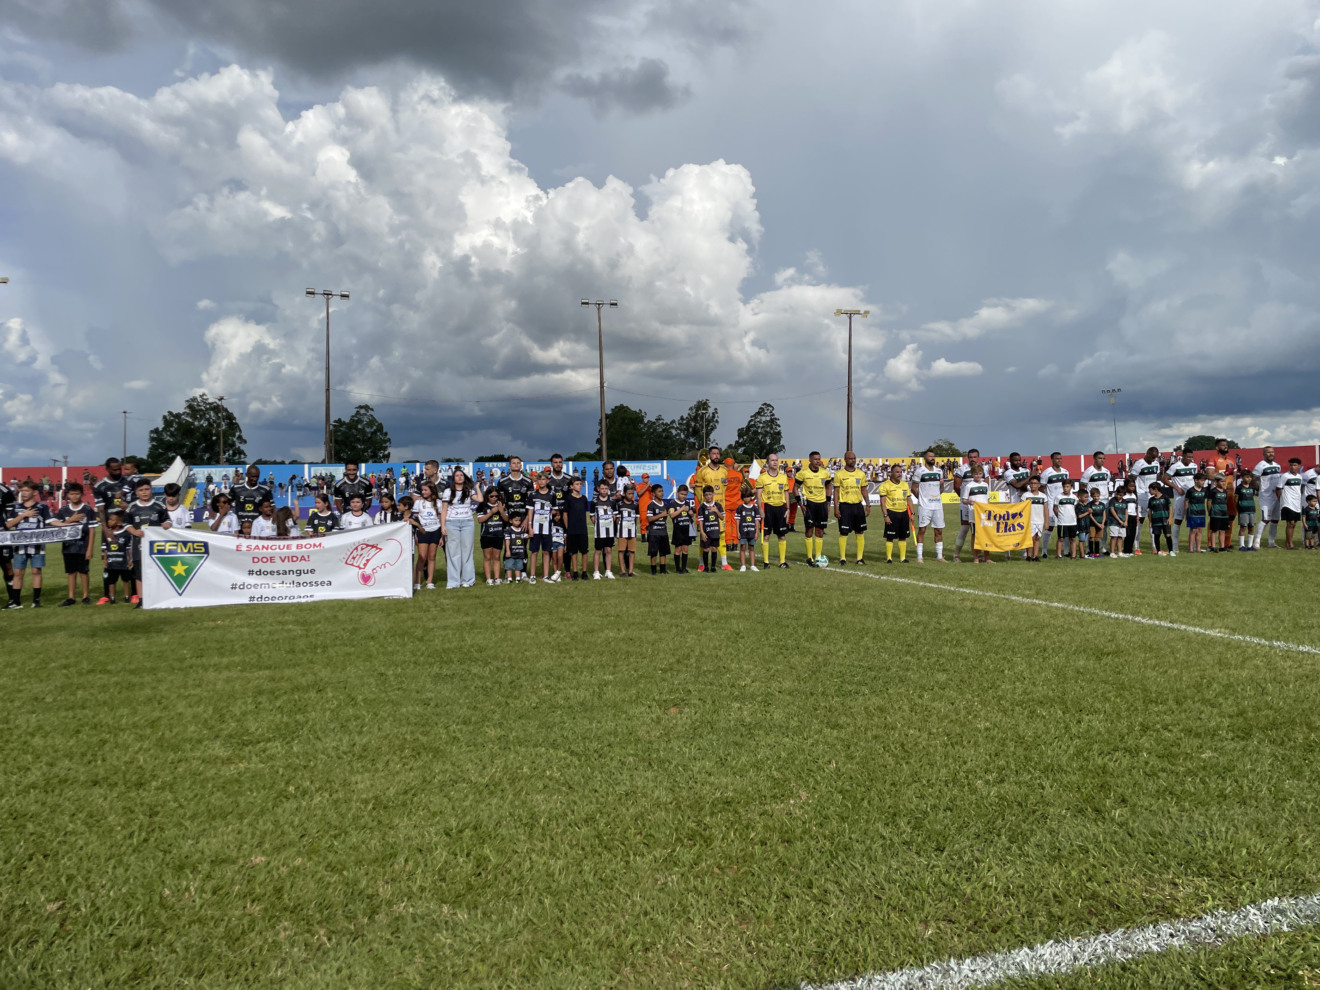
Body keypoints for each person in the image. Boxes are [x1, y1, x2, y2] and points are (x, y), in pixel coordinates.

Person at [4, 480, 53, 608]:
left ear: (35, 492)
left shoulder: (42, 507)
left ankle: (36, 601)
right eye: (22, 491)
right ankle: (16, 601)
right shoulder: (16, 508)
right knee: (18, 573)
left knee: (36, 571)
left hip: (37, 546)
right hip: (19, 546)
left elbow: (52, 522)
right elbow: (9, 525)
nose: (23, 493)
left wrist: (70, 526)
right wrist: (23, 515)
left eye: (26, 490)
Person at [123, 477, 171, 607]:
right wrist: (135, 532)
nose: (144, 492)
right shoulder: (132, 508)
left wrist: (166, 525)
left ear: (151, 490)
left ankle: (158, 597)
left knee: (157, 571)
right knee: (139, 574)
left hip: (156, 546)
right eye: (141, 490)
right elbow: (126, 524)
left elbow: (167, 521)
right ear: (136, 492)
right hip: (138, 546)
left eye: (147, 489)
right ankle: (141, 599)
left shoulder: (159, 506)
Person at [53, 481, 96, 604]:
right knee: (71, 572)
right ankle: (71, 597)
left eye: (77, 494)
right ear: (68, 495)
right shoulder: (63, 510)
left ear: (81, 494)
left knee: (84, 571)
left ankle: (85, 596)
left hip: (83, 545)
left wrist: (90, 548)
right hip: (68, 546)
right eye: (72, 494)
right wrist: (70, 520)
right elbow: (58, 528)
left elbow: (92, 530)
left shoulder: (88, 509)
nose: (75, 496)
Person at [440, 468, 480, 589]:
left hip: (467, 522)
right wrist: (443, 525)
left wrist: (477, 487)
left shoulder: (468, 490)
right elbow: (444, 510)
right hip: (452, 523)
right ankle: (453, 582)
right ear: (453, 478)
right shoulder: (447, 491)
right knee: (453, 552)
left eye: (461, 475)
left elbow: (480, 499)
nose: (459, 477)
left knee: (467, 551)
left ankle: (468, 580)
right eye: (457, 475)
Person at [693, 448, 731, 568]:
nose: (716, 455)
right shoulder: (702, 471)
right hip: (706, 508)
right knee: (704, 535)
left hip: (720, 507)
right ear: (709, 455)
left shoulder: (724, 471)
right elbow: (698, 490)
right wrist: (704, 503)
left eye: (718, 453)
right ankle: (701, 563)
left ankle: (724, 563)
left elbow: (724, 487)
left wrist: (718, 502)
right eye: (714, 453)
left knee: (722, 534)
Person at [833, 450, 870, 565]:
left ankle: (859, 558)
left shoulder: (861, 474)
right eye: (850, 458)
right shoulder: (839, 474)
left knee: (860, 532)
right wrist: (836, 508)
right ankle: (843, 558)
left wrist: (868, 504)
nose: (852, 460)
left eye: (854, 458)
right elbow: (836, 492)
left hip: (858, 506)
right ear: (845, 459)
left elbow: (864, 490)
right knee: (844, 532)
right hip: (845, 506)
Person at [908, 448, 946, 563]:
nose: (932, 458)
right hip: (924, 506)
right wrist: (921, 499)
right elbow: (913, 488)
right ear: (925, 458)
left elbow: (941, 488)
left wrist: (939, 490)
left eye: (933, 456)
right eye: (930, 456)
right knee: (922, 530)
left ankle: (939, 556)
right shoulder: (920, 471)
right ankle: (920, 556)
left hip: (937, 506)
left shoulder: (939, 471)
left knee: (938, 530)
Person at [755, 453, 791, 569]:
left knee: (781, 535)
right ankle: (766, 562)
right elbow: (758, 495)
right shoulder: (762, 478)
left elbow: (786, 494)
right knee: (766, 536)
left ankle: (782, 562)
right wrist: (760, 509)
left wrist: (788, 509)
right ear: (768, 463)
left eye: (776, 460)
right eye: (772, 460)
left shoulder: (783, 477)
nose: (775, 462)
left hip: (780, 508)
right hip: (768, 508)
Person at [797, 450, 832, 566]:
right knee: (809, 530)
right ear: (810, 460)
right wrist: (801, 503)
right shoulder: (803, 473)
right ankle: (809, 558)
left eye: (819, 459)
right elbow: (795, 488)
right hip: (809, 504)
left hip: (821, 504)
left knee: (820, 531)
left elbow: (828, 488)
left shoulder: (825, 473)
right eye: (815, 459)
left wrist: (828, 503)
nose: (818, 461)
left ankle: (818, 557)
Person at [875, 464, 912, 563]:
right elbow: (882, 502)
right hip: (892, 513)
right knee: (890, 537)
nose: (899, 474)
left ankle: (903, 558)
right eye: (897, 472)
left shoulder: (905, 484)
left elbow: (909, 499)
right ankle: (889, 558)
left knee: (903, 537)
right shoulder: (885, 485)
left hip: (903, 513)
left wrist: (912, 513)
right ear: (891, 473)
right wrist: (886, 515)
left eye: (900, 472)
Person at [1162, 449, 1198, 553]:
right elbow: (1164, 479)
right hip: (1180, 497)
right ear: (1182, 456)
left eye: (1191, 457)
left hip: (1192, 497)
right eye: (1188, 457)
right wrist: (1177, 488)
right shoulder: (1175, 466)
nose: (1190, 459)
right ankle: (1175, 546)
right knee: (1178, 520)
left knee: (1193, 521)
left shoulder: (1194, 466)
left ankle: (1194, 546)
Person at [1129, 446, 1163, 553]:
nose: (1153, 460)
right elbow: (1132, 480)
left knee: (1154, 521)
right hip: (1141, 495)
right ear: (1147, 453)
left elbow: (1155, 478)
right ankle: (1136, 547)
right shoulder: (1139, 464)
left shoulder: (1156, 464)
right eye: (1152, 457)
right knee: (1141, 521)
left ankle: (1155, 547)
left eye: (1155, 458)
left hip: (1153, 495)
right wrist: (1135, 496)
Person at [412, 480, 444, 589]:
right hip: (423, 531)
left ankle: (430, 581)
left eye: (426, 490)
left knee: (432, 557)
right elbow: (415, 518)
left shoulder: (438, 503)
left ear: (432, 490)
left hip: (436, 530)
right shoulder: (418, 502)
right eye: (422, 490)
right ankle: (417, 582)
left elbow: (441, 519)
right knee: (422, 557)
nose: (423, 492)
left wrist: (442, 536)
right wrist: (415, 533)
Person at [1038, 452, 1071, 557]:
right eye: (1057, 459)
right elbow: (1041, 488)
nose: (1059, 460)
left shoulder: (1066, 472)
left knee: (1066, 527)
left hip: (1064, 504)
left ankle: (1066, 551)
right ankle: (1044, 551)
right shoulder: (1046, 473)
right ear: (1052, 460)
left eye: (1060, 458)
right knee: (1050, 528)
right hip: (1052, 505)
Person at [98, 512, 134, 605]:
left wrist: (130, 560)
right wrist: (105, 559)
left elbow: (129, 548)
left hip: (123, 561)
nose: (109, 522)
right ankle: (112, 598)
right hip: (111, 561)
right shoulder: (107, 534)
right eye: (109, 520)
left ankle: (127, 597)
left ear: (119, 523)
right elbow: (105, 549)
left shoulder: (125, 534)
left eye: (112, 520)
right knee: (111, 580)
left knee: (125, 580)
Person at [956, 465, 991, 563]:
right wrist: (970, 502)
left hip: (984, 515)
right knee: (975, 534)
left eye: (980, 474)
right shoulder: (969, 486)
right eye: (976, 474)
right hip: (974, 514)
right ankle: (976, 557)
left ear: (982, 474)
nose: (978, 476)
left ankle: (987, 557)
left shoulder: (985, 485)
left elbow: (987, 500)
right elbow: (964, 500)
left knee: (986, 535)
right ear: (972, 474)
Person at [1252, 446, 1283, 549]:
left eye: (1272, 452)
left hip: (1276, 496)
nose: (1271, 454)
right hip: (1266, 496)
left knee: (1275, 520)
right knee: (1265, 519)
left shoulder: (1277, 466)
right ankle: (1257, 541)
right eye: (1268, 452)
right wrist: (1258, 487)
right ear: (1264, 454)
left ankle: (1271, 542)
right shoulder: (1260, 466)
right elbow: (1254, 479)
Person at [529, 473, 557, 583]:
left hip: (547, 528)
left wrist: (549, 512)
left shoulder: (552, 495)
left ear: (548, 481)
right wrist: (530, 526)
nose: (541, 482)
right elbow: (530, 510)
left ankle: (545, 575)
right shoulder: (533, 495)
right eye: (539, 479)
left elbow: (555, 510)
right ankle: (532, 575)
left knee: (546, 552)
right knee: (534, 552)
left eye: (543, 479)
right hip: (535, 528)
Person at [93, 457, 135, 527]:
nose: (118, 472)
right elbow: (101, 509)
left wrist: (128, 506)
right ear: (107, 469)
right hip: (111, 525)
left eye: (119, 469)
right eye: (115, 470)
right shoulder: (99, 487)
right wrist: (105, 528)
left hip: (129, 523)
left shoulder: (129, 482)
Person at [563, 476, 591, 581]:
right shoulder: (568, 499)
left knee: (584, 551)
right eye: (577, 484)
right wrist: (568, 527)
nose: (579, 486)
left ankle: (584, 572)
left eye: (580, 484)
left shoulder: (584, 498)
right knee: (573, 552)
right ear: (571, 486)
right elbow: (565, 514)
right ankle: (574, 572)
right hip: (572, 530)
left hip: (583, 529)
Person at [498, 457, 534, 534]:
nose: (516, 465)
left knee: (523, 542)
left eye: (518, 463)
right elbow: (501, 501)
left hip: (523, 516)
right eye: (514, 463)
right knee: (508, 542)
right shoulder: (502, 481)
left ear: (521, 466)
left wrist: (527, 519)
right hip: (508, 516)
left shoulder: (528, 481)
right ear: (510, 466)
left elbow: (531, 503)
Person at [230, 465, 273, 530]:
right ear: (247, 475)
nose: (255, 479)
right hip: (240, 528)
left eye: (257, 477)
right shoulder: (236, 488)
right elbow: (226, 504)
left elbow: (272, 507)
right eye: (253, 476)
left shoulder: (265, 490)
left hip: (258, 528)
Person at [591, 480, 617, 580]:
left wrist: (608, 523)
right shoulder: (594, 502)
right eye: (602, 488)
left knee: (609, 550)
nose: (604, 490)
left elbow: (614, 515)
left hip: (609, 530)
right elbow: (592, 516)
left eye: (606, 488)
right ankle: (596, 572)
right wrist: (599, 525)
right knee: (598, 550)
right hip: (599, 531)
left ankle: (608, 571)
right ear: (598, 489)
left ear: (608, 489)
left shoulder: (612, 501)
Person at [1278, 457, 1307, 550]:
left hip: (1296, 504)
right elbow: (1278, 488)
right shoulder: (1285, 476)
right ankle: (1290, 545)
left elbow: (1300, 489)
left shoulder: (1299, 477)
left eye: (1294, 465)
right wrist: (1281, 500)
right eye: (1291, 465)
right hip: (1287, 503)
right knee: (1290, 523)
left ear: (1299, 466)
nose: (1292, 467)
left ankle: (1288, 543)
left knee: (1294, 524)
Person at [645, 483, 672, 574]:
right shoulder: (651, 505)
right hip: (654, 532)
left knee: (663, 552)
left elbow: (665, 517)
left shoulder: (665, 504)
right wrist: (661, 515)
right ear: (653, 493)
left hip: (663, 532)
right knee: (653, 552)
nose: (662, 493)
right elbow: (649, 519)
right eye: (659, 491)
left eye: (662, 491)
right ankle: (653, 570)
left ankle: (663, 569)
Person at [697, 485, 724, 574]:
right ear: (704, 496)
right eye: (706, 495)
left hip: (715, 531)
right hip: (706, 531)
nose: (708, 496)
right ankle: (706, 567)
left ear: (713, 494)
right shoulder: (702, 507)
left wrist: (716, 511)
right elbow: (700, 520)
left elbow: (722, 517)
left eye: (710, 494)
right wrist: (702, 532)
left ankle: (713, 567)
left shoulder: (718, 505)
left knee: (714, 549)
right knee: (706, 549)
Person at [670, 484, 695, 575]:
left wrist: (691, 513)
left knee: (685, 548)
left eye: (685, 494)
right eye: (681, 494)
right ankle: (678, 569)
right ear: (677, 493)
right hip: (678, 529)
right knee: (678, 549)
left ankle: (684, 568)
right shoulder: (673, 503)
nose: (683, 496)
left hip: (686, 528)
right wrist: (682, 509)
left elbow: (691, 514)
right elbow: (672, 515)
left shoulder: (687, 503)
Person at [1025, 476, 1051, 561]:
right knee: (1030, 538)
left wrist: (1046, 522)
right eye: (1031, 483)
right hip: (1030, 520)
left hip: (1040, 520)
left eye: (1035, 483)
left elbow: (1046, 509)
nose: (1032, 485)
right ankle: (1028, 555)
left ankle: (1035, 555)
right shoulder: (1025, 495)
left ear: (1039, 485)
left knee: (1037, 538)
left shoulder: (1043, 496)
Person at [734, 487, 760, 572]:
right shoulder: (740, 508)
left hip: (752, 531)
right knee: (742, 547)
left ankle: (752, 565)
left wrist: (756, 532)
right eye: (745, 497)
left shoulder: (754, 508)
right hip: (743, 531)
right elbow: (737, 520)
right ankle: (743, 565)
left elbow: (756, 520)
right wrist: (737, 531)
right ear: (742, 498)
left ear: (751, 497)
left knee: (751, 547)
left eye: (748, 497)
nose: (746, 499)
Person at [617, 484, 639, 578]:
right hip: (622, 531)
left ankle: (630, 571)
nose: (631, 495)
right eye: (629, 493)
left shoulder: (635, 505)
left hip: (632, 531)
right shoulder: (620, 504)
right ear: (624, 493)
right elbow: (617, 518)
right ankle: (622, 571)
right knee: (621, 551)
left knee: (632, 551)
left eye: (632, 494)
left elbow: (636, 519)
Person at [1053, 479, 1078, 560]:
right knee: (1061, 538)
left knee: (1073, 539)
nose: (1065, 488)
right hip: (1062, 522)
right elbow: (1055, 509)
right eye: (1064, 487)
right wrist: (1060, 517)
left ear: (1071, 487)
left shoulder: (1074, 497)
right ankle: (1059, 555)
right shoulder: (1058, 497)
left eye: (1067, 487)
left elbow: (1076, 509)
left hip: (1072, 522)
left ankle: (1073, 555)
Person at [1184, 473, 1209, 553]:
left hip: (1201, 513)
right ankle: (1191, 549)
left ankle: (1198, 548)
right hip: (1192, 513)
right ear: (1196, 480)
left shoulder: (1205, 490)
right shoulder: (1190, 490)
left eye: (1204, 480)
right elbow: (1186, 502)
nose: (1203, 482)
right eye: (1201, 480)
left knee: (1199, 530)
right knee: (1193, 530)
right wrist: (1186, 514)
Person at [1146, 483, 1172, 555]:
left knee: (1168, 535)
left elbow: (1170, 507)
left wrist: (1170, 518)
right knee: (1157, 535)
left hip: (1165, 519)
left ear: (1156, 489)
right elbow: (1150, 511)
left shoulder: (1165, 497)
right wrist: (1150, 521)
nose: (1149, 491)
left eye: (1150, 490)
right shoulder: (1151, 500)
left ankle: (1171, 550)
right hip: (1156, 520)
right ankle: (1158, 551)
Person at [1234, 474, 1258, 552]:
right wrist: (1238, 509)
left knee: (1251, 527)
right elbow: (1236, 499)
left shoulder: (1252, 487)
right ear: (1242, 477)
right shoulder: (1239, 487)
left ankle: (1250, 545)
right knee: (1243, 527)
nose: (1249, 479)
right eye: (1247, 477)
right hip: (1243, 510)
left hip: (1251, 509)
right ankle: (1242, 545)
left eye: (1250, 477)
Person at [1106, 483, 1128, 557]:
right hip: (1114, 522)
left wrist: (1126, 521)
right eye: (1117, 494)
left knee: (1120, 537)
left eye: (1120, 495)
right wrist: (1119, 520)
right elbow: (1112, 510)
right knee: (1114, 537)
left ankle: (1120, 552)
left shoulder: (1125, 502)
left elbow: (1126, 512)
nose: (1118, 496)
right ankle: (1112, 552)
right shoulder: (1112, 500)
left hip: (1122, 522)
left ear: (1124, 495)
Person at [1119, 477, 1139, 556]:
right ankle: (1126, 550)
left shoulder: (1134, 495)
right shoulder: (1124, 496)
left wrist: (1137, 516)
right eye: (1130, 486)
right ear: (1126, 486)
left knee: (1133, 534)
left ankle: (1130, 550)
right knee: (1127, 534)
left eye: (1133, 486)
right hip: (1127, 516)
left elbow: (1136, 507)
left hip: (1133, 516)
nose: (1132, 488)